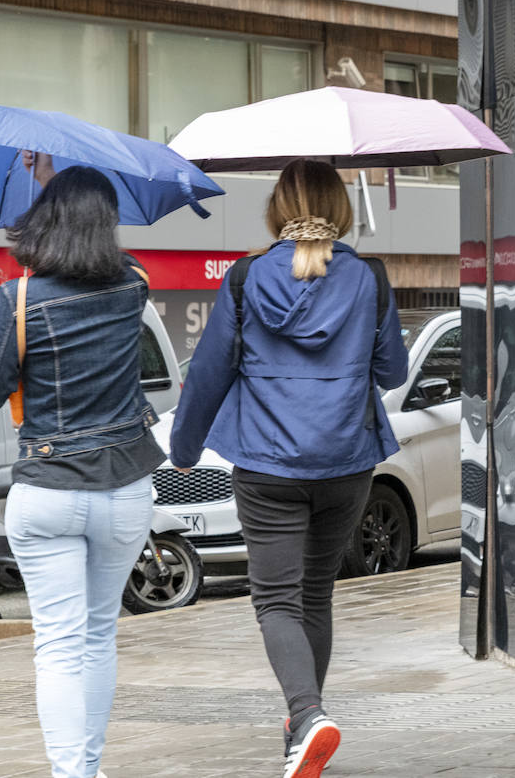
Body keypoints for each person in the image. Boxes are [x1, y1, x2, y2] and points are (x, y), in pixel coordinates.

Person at [170, 159, 409, 778]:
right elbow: (393, 373)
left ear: (278, 209)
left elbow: (210, 372)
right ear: (343, 211)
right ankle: (303, 727)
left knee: (275, 599)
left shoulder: (247, 278)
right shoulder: (371, 279)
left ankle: (306, 715)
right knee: (314, 594)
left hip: (267, 464)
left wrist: (184, 449)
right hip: (345, 464)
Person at [0, 166, 163, 778]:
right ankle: (90, 767)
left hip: (48, 489)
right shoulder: (134, 285)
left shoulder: (19, 298)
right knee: (98, 635)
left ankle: (72, 774)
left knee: (57, 644)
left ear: (45, 219)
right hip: (126, 485)